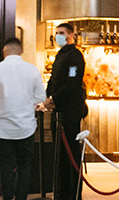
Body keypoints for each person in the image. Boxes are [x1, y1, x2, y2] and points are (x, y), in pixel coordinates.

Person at [0, 36, 46, 200]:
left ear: (4, 51)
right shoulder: (32, 70)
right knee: (24, 166)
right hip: (26, 127)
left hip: (2, 127)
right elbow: (40, 97)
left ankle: (8, 198)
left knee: (6, 167)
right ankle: (21, 197)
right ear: (21, 50)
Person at [45, 23, 88, 200]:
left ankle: (72, 193)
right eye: (56, 33)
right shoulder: (60, 55)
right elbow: (54, 80)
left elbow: (72, 83)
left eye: (62, 33)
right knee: (60, 156)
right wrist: (48, 97)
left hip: (69, 112)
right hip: (58, 111)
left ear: (71, 35)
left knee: (70, 153)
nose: (58, 36)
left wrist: (54, 99)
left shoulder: (75, 56)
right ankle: (61, 192)